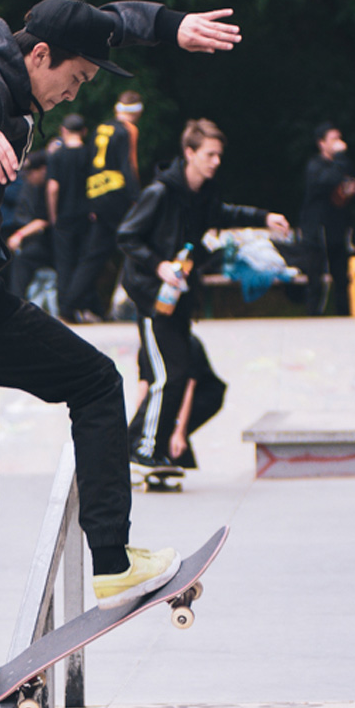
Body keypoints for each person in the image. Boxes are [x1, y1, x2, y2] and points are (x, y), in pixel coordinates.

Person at [0, 0, 243, 708]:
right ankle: (115, 561)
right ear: (39, 57)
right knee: (95, 381)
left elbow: (106, 16)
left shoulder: (13, 54)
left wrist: (168, 26)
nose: (76, 92)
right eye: (78, 78)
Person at [118, 117, 286, 468]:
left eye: (219, 155)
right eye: (210, 155)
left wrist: (263, 217)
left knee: (181, 374)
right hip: (152, 298)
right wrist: (158, 264)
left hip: (179, 298)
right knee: (166, 377)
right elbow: (127, 236)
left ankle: (153, 446)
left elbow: (224, 214)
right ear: (189, 153)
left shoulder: (203, 195)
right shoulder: (160, 193)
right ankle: (142, 448)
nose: (216, 162)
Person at [61, 86, 144, 320]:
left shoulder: (102, 127)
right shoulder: (129, 130)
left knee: (96, 253)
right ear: (136, 112)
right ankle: (133, 301)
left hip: (97, 193)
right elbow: (129, 165)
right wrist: (137, 198)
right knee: (136, 242)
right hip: (117, 194)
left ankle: (72, 303)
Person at [299, 123, 355, 316]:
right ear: (321, 144)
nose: (339, 143)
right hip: (316, 232)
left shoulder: (343, 163)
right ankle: (314, 320)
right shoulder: (315, 166)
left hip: (338, 228)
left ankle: (344, 318)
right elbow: (328, 180)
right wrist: (340, 158)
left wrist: (352, 191)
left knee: (342, 279)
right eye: (334, 139)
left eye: (339, 138)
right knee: (316, 283)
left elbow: (348, 184)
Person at [46, 114, 91, 317]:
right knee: (84, 261)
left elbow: (53, 187)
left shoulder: (57, 155)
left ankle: (65, 309)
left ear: (63, 131)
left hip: (63, 215)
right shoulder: (90, 153)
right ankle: (81, 305)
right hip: (86, 215)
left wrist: (53, 215)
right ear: (84, 131)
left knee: (64, 263)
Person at [6, 149, 55, 302]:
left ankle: (17, 300)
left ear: (43, 169)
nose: (28, 178)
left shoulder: (48, 187)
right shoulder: (34, 187)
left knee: (22, 261)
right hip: (38, 238)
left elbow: (43, 219)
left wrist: (19, 235)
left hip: (51, 241)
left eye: (31, 173)